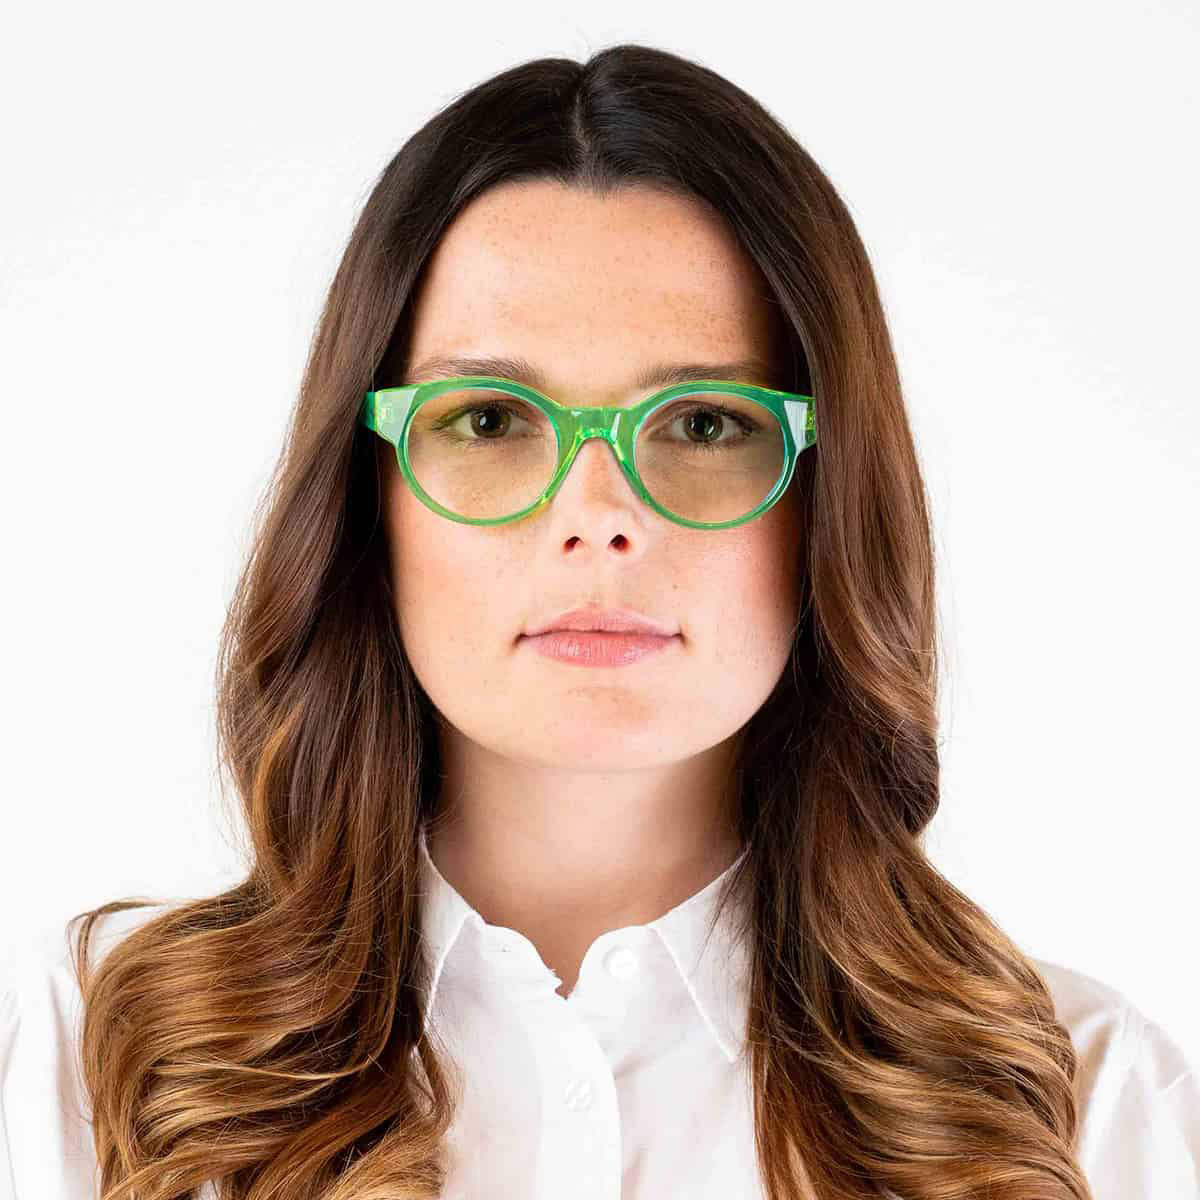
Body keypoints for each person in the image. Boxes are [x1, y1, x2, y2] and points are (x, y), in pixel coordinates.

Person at [2, 42, 1196, 1200]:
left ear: (831, 500)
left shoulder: (1082, 1109)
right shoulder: (94, 1071)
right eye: (488, 419)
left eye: (706, 424)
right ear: (366, 503)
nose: (600, 518)